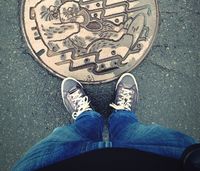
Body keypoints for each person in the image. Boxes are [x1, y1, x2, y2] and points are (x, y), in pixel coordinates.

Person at [12, 73, 199, 171]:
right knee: (134, 134)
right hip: (170, 162)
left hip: (55, 166)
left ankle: (86, 117)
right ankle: (122, 116)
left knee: (70, 138)